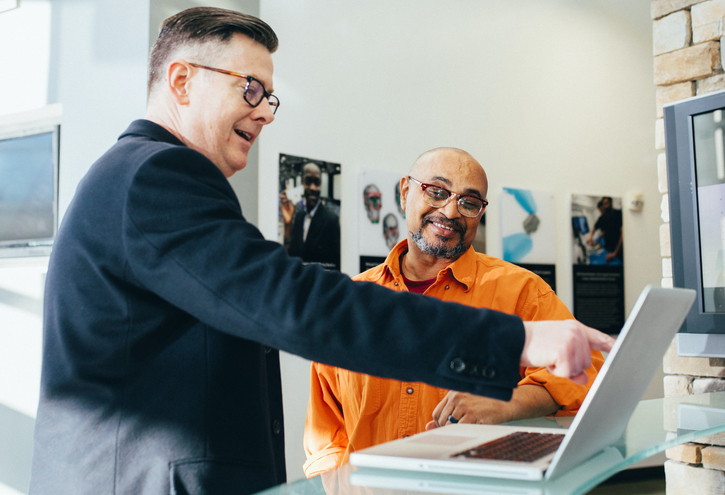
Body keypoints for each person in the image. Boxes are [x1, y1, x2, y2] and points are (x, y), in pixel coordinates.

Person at [29, 8, 613, 495]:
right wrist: (516, 339)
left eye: (270, 97)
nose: (262, 110)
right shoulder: (157, 175)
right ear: (181, 81)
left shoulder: (138, 177)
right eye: (250, 88)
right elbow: (294, 303)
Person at [304, 148, 605, 477]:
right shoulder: (352, 301)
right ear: (405, 192)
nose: (450, 211)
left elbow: (587, 372)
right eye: (437, 191)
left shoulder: (523, 291)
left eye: (469, 202)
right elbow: (327, 433)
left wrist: (505, 403)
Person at [280, 162, 341, 270]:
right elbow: (291, 256)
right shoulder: (299, 216)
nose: (313, 188)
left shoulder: (331, 220)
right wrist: (288, 224)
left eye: (317, 183)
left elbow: (335, 265)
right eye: (308, 182)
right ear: (302, 184)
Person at [587, 196, 623, 265]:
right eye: (604, 204)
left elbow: (622, 233)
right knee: (592, 257)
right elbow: (595, 228)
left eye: (607, 203)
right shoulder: (602, 218)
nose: (605, 207)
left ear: (610, 203)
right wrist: (591, 237)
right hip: (607, 249)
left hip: (618, 251)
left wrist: (615, 253)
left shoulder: (618, 214)